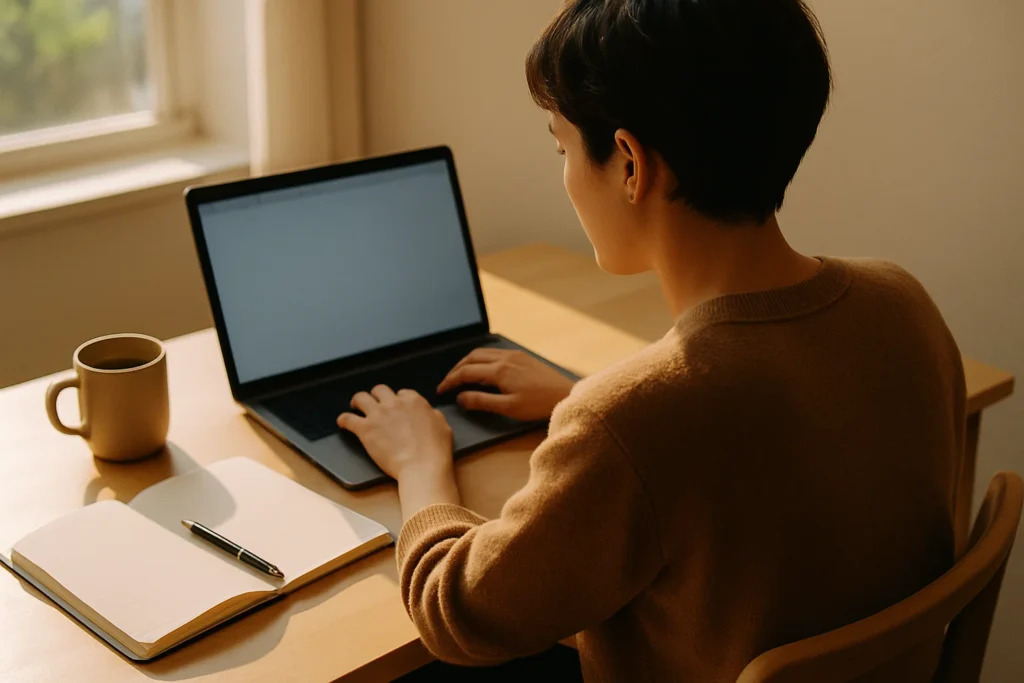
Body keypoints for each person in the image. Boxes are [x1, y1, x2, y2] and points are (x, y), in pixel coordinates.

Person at [336, 1, 966, 681]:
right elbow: (752, 435)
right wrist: (581, 399)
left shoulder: (635, 419)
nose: (566, 175)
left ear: (631, 164)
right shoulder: (903, 304)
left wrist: (419, 462)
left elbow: (458, 611)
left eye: (562, 146)